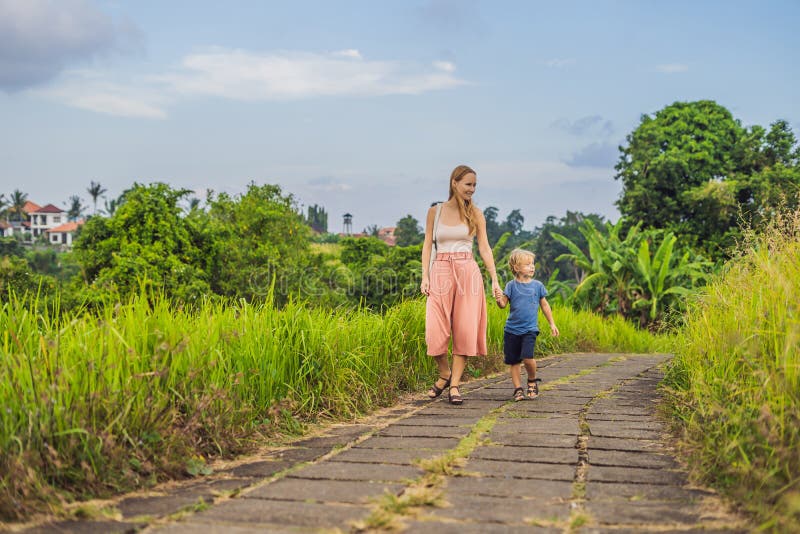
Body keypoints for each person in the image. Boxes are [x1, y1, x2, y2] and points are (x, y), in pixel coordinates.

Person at [420, 164, 502, 405]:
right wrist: (425, 276)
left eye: (475, 185)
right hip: (441, 271)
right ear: (454, 183)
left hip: (468, 271)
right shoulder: (435, 212)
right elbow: (427, 244)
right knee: (435, 331)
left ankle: (454, 384)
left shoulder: (476, 213)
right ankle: (444, 373)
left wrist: (495, 279)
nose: (472, 189)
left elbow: (484, 248)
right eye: (468, 184)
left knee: (465, 330)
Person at [494, 249, 559, 401]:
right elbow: (503, 304)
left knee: (528, 358)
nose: (532, 267)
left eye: (533, 264)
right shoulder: (510, 285)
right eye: (528, 264)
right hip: (511, 330)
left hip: (529, 329)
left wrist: (552, 324)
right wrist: (498, 299)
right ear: (516, 268)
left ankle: (532, 380)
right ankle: (517, 389)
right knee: (514, 361)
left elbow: (544, 306)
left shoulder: (537, 286)